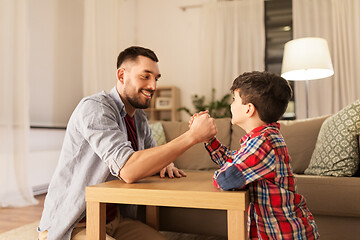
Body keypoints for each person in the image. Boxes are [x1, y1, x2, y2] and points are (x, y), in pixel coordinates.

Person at [37, 46, 216, 240]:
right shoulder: (95, 108)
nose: (153, 86)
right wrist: (192, 136)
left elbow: (152, 156)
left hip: (115, 221)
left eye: (156, 78)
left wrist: (165, 163)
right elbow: (128, 170)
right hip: (75, 223)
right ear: (122, 75)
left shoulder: (139, 117)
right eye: (145, 76)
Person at [191, 71, 319, 239]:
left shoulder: (263, 143)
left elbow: (227, 179)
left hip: (285, 234)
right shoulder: (259, 139)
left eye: (234, 99)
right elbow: (232, 161)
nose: (231, 105)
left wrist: (221, 173)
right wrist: (209, 139)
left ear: (249, 109)